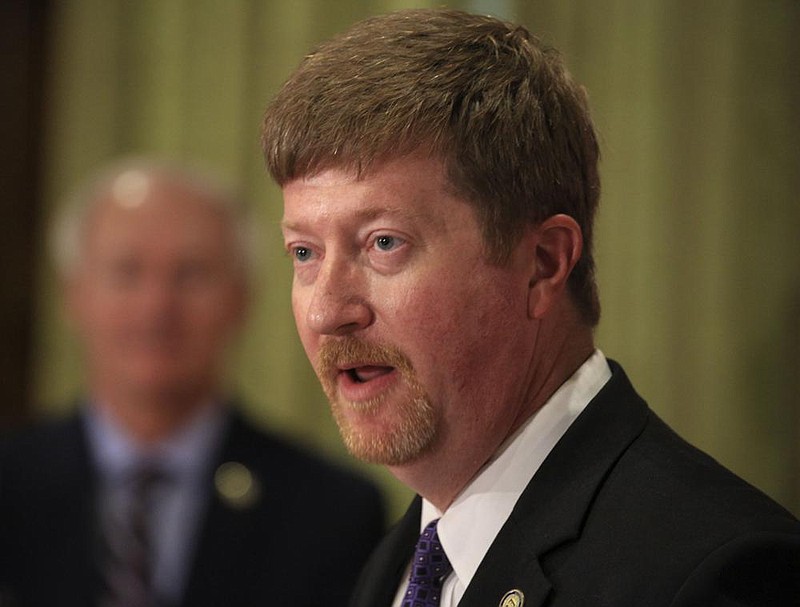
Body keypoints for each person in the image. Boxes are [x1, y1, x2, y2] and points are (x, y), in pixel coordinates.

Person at [260, 8, 800, 607]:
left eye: (384, 243)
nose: (325, 312)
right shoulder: (391, 567)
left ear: (542, 262)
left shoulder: (714, 572)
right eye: (304, 252)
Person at [0, 158, 385, 607]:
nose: (157, 308)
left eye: (191, 273)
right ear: (73, 295)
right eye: (127, 271)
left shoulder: (331, 512)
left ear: (242, 299)